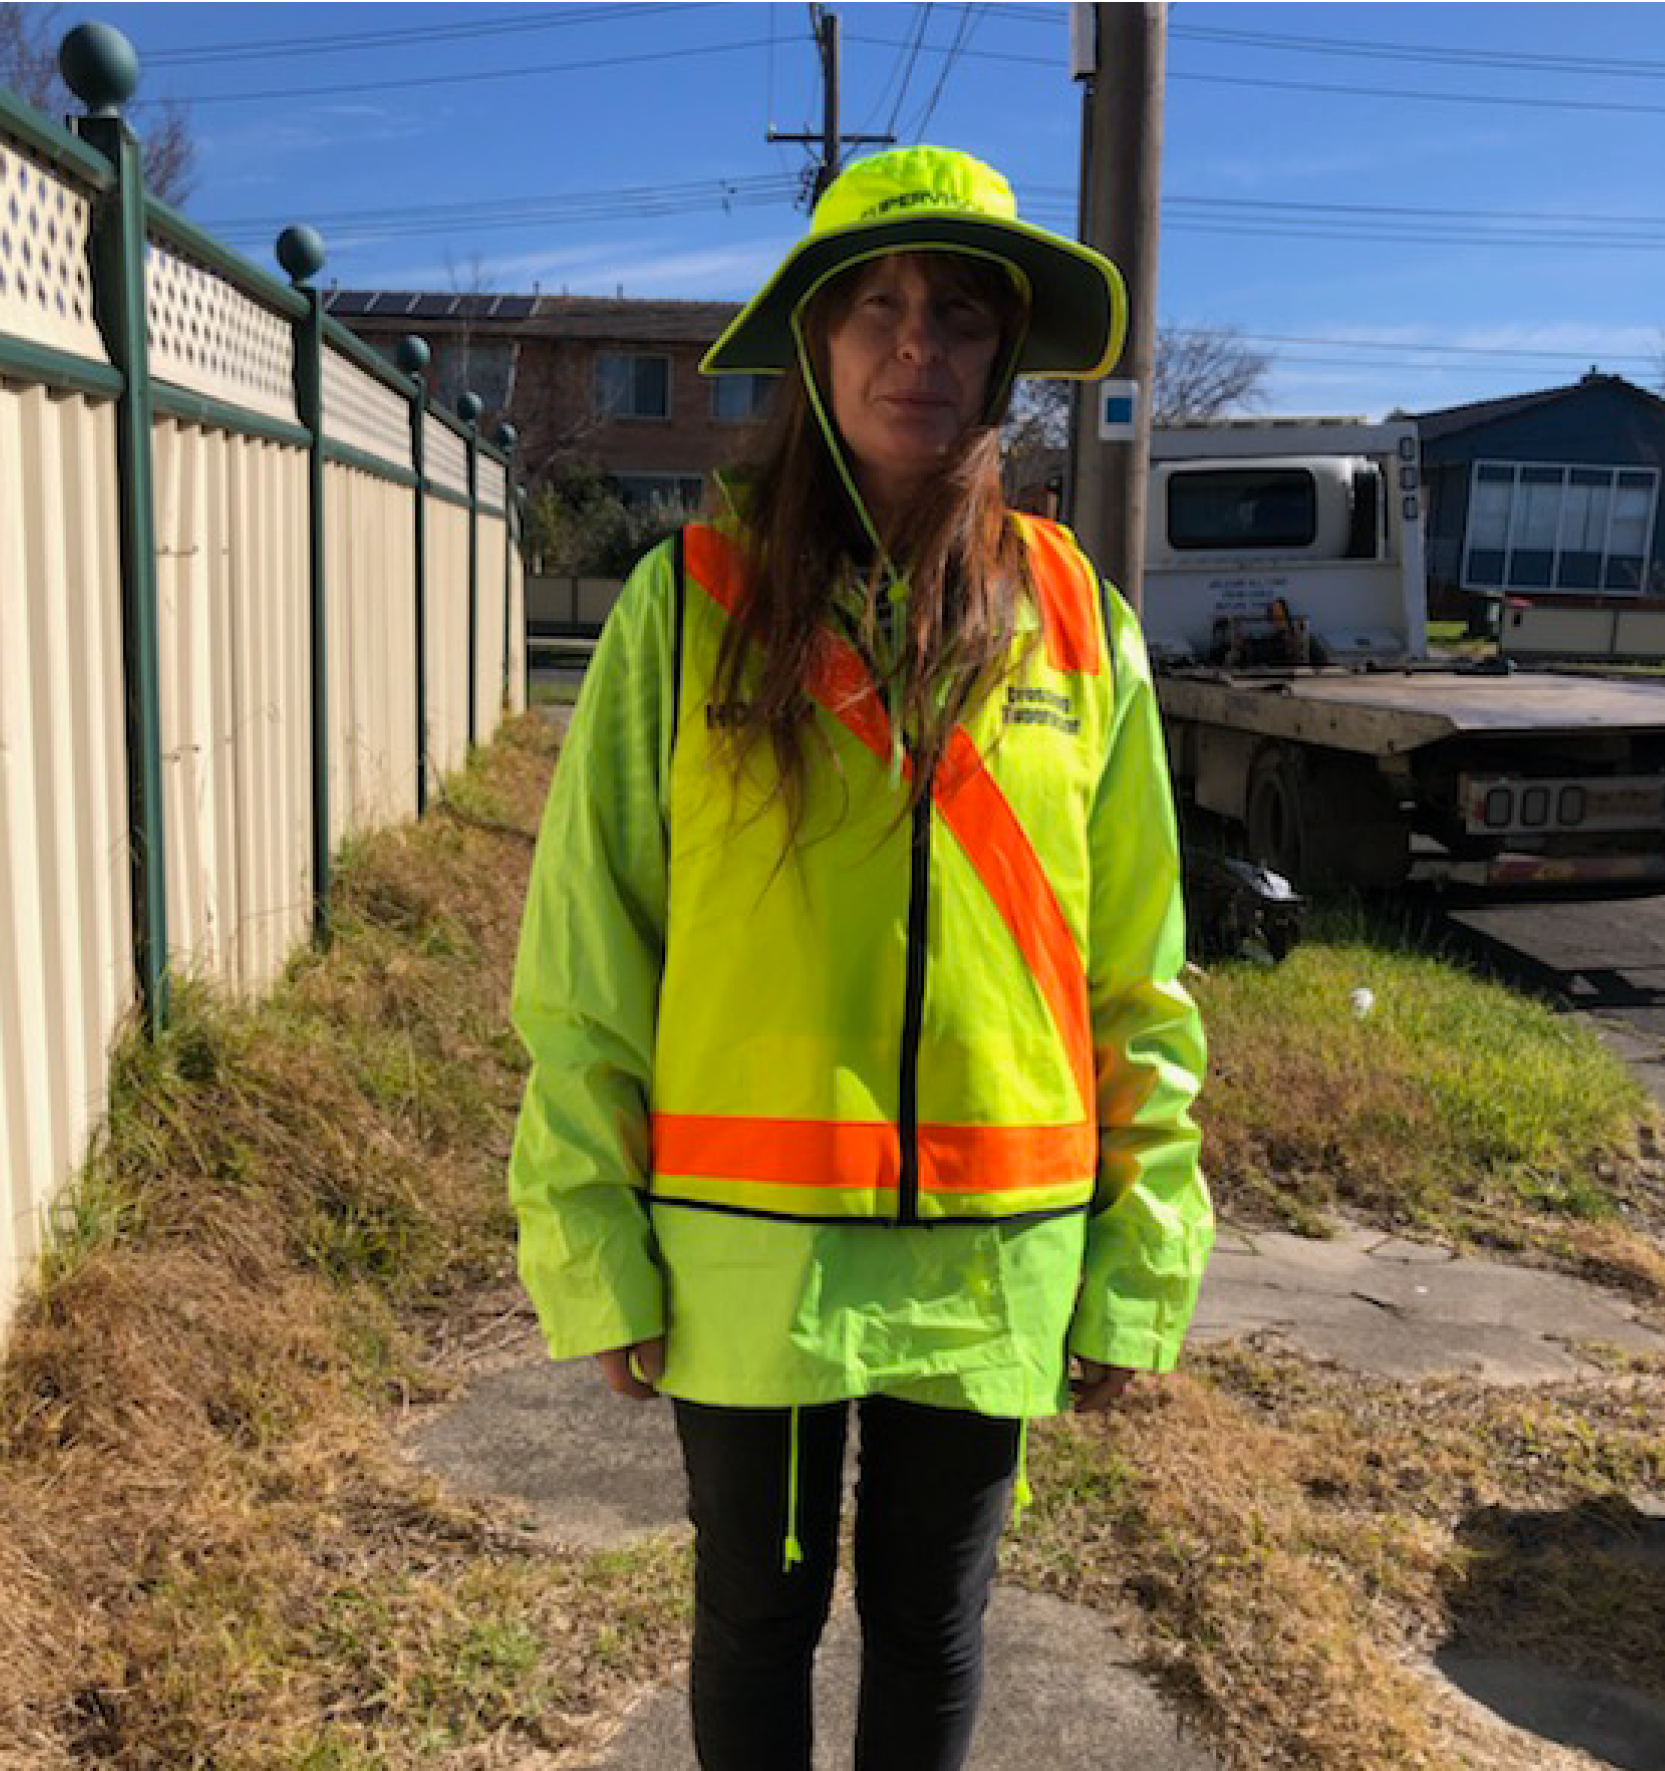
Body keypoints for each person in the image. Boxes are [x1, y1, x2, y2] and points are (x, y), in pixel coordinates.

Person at [509, 145, 1212, 1771]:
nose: (918, 346)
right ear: (816, 349)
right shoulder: (687, 607)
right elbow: (587, 950)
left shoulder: (1075, 619)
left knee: (933, 1624)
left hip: (989, 1256)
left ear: (1003, 356)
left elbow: (1141, 966)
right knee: (756, 1613)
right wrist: (591, 1233)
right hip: (749, 1265)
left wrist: (1141, 1245)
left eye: (958, 315)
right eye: (877, 308)